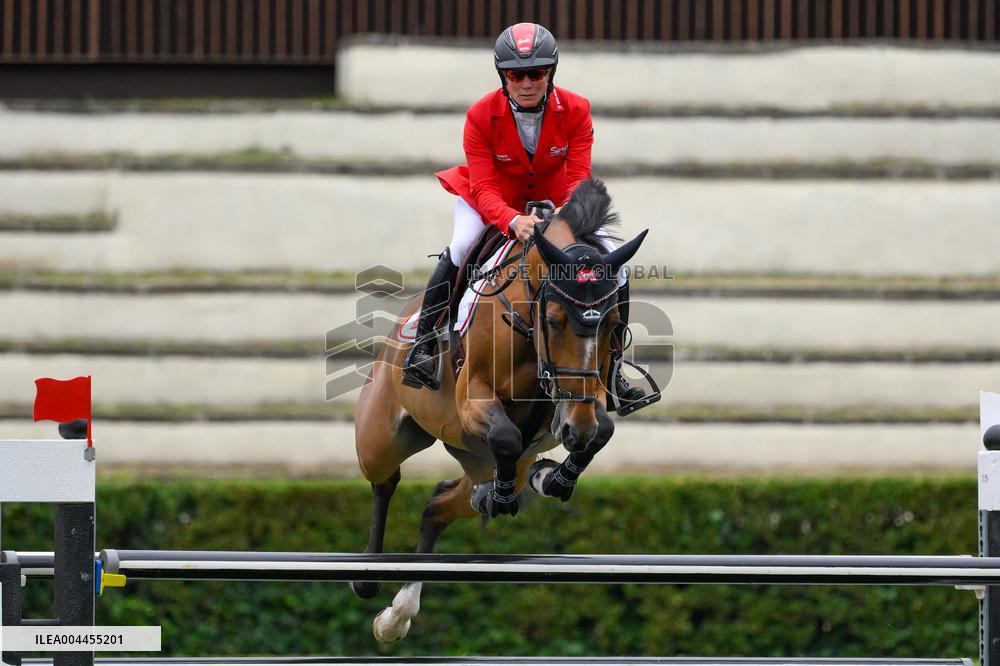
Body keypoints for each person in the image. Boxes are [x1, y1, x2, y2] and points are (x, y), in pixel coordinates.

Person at [402, 22, 647, 413]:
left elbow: (579, 178)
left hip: (558, 204)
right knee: (462, 245)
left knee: (617, 266)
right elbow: (483, 189)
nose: (528, 83)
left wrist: (562, 219)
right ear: (504, 76)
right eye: (517, 74)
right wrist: (512, 221)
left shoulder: (578, 110)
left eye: (537, 73)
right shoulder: (481, 116)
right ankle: (425, 344)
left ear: (550, 73)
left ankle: (614, 367)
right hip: (492, 200)